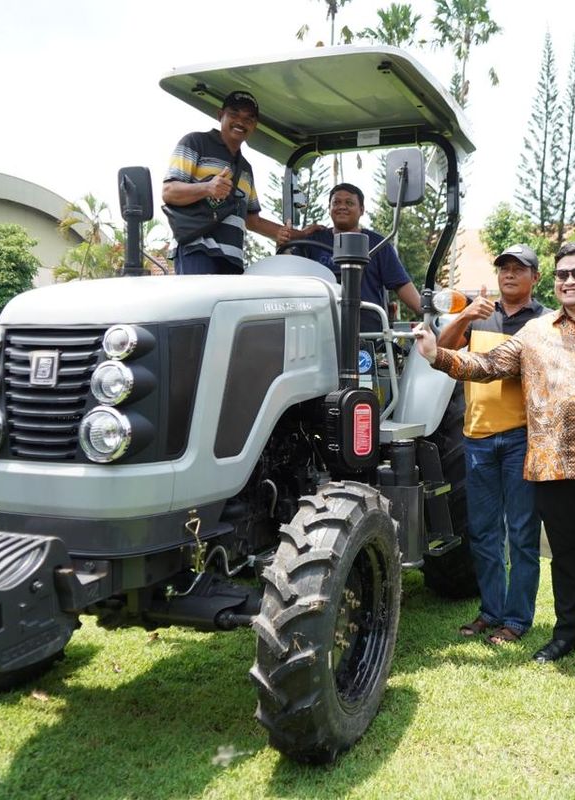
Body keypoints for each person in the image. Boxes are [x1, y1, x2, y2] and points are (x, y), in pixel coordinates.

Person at [414, 241, 575, 686]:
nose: (570, 281)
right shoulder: (536, 332)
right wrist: (437, 355)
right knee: (565, 560)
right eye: (563, 274)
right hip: (551, 466)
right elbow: (487, 365)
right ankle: (566, 635)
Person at [437, 244, 546, 645]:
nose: (509, 274)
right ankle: (491, 611)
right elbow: (443, 349)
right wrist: (465, 315)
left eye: (519, 268)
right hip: (477, 438)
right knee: (483, 534)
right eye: (504, 268)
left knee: (521, 534)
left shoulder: (545, 322)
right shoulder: (480, 315)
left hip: (521, 438)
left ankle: (516, 619)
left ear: (535, 277)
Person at [162, 90, 320, 274]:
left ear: (254, 125)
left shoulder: (245, 168)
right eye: (234, 114)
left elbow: (253, 221)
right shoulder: (195, 143)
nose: (240, 122)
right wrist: (207, 188)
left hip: (232, 259)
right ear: (220, 115)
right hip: (197, 250)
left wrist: (301, 234)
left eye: (248, 118)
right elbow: (169, 191)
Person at [292, 183, 422, 332]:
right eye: (336, 202)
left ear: (362, 210)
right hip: (319, 330)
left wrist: (426, 311)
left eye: (349, 203)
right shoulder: (311, 242)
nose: (342, 207)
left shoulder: (379, 244)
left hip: (367, 333)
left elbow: (401, 285)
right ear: (329, 209)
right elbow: (290, 276)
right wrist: (287, 238)